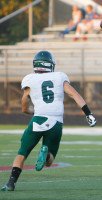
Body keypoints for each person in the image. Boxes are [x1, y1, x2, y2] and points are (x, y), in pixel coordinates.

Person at [1, 51, 96, 191]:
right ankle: (45, 155)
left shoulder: (30, 79)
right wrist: (88, 113)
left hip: (37, 119)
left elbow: (24, 106)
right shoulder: (59, 77)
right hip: (55, 122)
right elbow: (74, 94)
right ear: (50, 65)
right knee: (50, 161)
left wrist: (35, 111)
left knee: (22, 153)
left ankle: (11, 183)